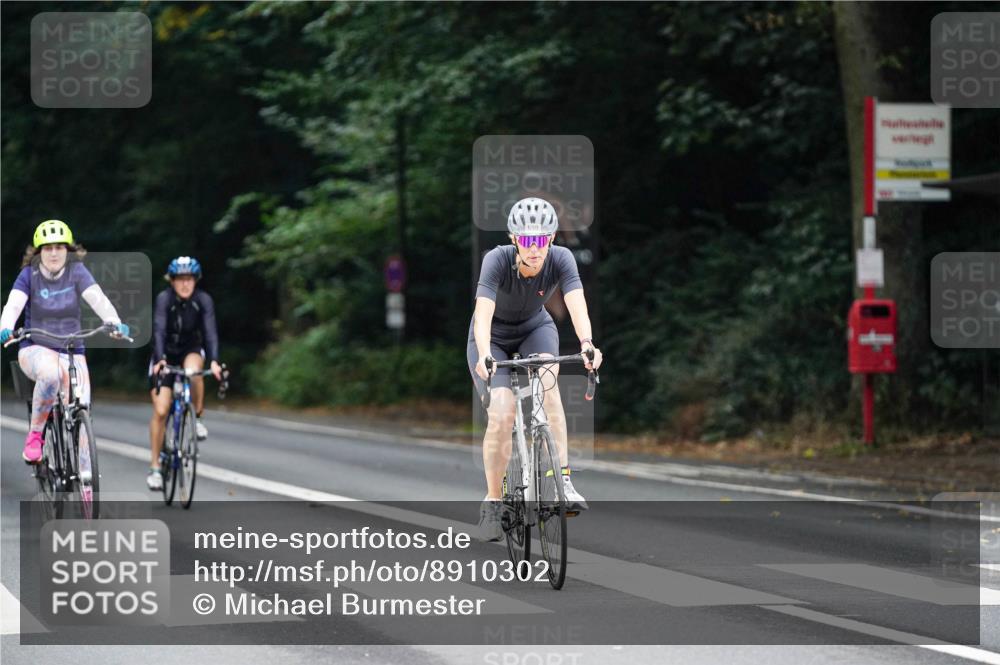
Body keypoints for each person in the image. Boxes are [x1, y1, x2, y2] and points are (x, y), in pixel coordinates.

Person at [468, 197, 603, 541]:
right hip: (492, 338)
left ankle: (562, 481)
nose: (534, 248)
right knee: (502, 412)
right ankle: (494, 503)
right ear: (514, 239)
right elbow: (482, 315)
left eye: (541, 239)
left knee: (548, 382)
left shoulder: (561, 259)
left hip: (534, 328)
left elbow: (576, 304)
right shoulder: (495, 260)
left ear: (552, 238)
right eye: (527, 240)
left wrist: (587, 344)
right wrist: (485, 354)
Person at [0, 220, 129, 463]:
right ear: (38, 252)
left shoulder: (77, 271)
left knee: (82, 404)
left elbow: (97, 299)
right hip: (35, 347)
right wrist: (6, 328)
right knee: (50, 375)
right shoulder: (29, 275)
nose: (54, 253)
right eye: (47, 248)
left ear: (68, 250)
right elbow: (14, 305)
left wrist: (114, 321)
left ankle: (86, 484)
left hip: (71, 349)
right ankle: (35, 436)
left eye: (60, 247)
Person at [146, 256, 222, 491]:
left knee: (193, 370)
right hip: (165, 354)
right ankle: (156, 468)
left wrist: (215, 361)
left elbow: (210, 332)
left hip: (190, 349)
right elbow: (158, 329)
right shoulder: (164, 299)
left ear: (196, 281)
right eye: (180, 279)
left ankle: (197, 418)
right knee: (160, 410)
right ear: (172, 281)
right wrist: (160, 360)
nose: (185, 284)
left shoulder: (203, 300)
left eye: (189, 279)